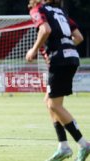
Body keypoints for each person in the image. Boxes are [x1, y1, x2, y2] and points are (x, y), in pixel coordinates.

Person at [26, 0, 90, 161]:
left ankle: (83, 143)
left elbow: (45, 29)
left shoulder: (38, 9)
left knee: (55, 104)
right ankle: (63, 146)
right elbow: (78, 37)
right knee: (49, 101)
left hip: (59, 60)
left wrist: (33, 51)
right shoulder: (60, 12)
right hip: (72, 57)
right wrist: (64, 47)